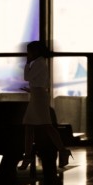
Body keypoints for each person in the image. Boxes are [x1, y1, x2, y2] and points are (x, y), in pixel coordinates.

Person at [20, 40, 70, 174]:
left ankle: (29, 156)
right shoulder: (40, 63)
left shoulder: (38, 63)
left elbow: (27, 77)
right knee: (33, 126)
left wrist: (26, 63)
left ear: (35, 52)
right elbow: (37, 83)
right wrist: (32, 90)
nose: (27, 54)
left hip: (38, 97)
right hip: (37, 96)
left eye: (29, 52)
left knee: (43, 126)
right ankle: (29, 155)